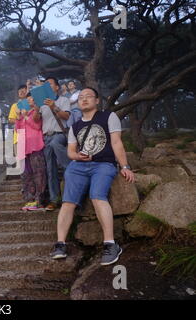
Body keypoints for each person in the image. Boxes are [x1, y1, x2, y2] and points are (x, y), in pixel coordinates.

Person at [50, 87, 135, 266]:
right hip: (79, 166)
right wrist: (77, 156)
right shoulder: (75, 126)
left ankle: (110, 244)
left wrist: (125, 166)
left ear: (97, 100)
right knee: (68, 202)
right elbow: (71, 151)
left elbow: (116, 142)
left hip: (103, 164)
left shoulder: (108, 117)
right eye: (81, 97)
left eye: (89, 96)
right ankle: (60, 244)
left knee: (97, 196)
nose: (84, 99)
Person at [40, 77, 71, 211]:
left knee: (55, 144)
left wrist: (54, 106)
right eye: (45, 84)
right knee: (50, 169)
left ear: (57, 87)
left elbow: (67, 117)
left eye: (50, 84)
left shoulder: (64, 100)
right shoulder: (41, 103)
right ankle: (54, 199)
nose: (47, 86)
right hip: (46, 136)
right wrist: (36, 109)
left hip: (60, 135)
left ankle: (70, 167)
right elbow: (36, 119)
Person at [16, 93, 47, 211]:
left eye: (31, 100)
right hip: (23, 147)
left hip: (35, 146)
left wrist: (25, 117)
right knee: (26, 175)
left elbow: (37, 126)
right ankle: (29, 199)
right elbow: (18, 130)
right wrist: (19, 118)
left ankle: (39, 200)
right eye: (27, 100)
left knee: (39, 174)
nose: (29, 102)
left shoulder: (36, 112)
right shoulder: (24, 114)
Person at [8, 85, 29, 156]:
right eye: (20, 91)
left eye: (23, 90)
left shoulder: (32, 103)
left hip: (31, 135)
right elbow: (11, 119)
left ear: (27, 91)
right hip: (18, 136)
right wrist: (20, 120)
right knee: (20, 161)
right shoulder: (15, 105)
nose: (21, 92)